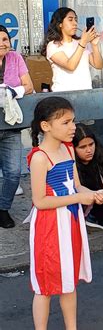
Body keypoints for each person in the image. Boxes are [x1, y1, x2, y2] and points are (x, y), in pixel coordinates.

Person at [27, 97, 103, 329]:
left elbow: (76, 185)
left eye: (73, 121)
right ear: (46, 126)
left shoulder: (67, 149)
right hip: (49, 225)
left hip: (70, 221)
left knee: (69, 280)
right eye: (66, 122)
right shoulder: (40, 158)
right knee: (44, 285)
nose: (73, 127)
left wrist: (93, 193)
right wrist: (79, 198)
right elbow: (39, 201)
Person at [0, 25, 34, 229]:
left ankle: (3, 209)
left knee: (13, 173)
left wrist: (13, 91)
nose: (2, 43)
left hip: (11, 126)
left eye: (5, 39)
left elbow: (29, 86)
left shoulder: (16, 58)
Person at [41, 7, 103, 92]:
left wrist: (94, 45)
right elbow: (70, 66)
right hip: (64, 95)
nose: (75, 23)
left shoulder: (81, 42)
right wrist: (83, 42)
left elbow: (99, 65)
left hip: (86, 93)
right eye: (70, 20)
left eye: (76, 20)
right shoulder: (53, 45)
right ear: (60, 24)